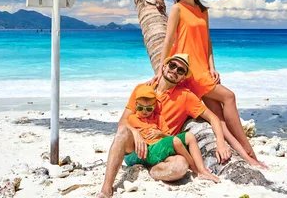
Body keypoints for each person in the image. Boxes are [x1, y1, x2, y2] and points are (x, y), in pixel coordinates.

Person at [151, 0, 265, 168]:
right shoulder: (178, 9)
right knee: (229, 96)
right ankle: (248, 148)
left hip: (204, 67)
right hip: (191, 70)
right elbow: (168, 40)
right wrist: (161, 69)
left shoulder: (203, 11)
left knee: (219, 115)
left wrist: (213, 66)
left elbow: (208, 41)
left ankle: (246, 156)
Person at [98, 53, 231, 198]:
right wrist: (136, 133)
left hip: (161, 152)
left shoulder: (186, 97)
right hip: (135, 148)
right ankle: (106, 188)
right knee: (123, 132)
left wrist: (220, 143)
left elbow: (213, 118)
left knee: (180, 166)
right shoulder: (142, 89)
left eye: (180, 70)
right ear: (164, 66)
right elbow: (123, 122)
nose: (175, 71)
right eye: (172, 65)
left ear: (182, 77)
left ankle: (151, 169)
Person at [127, 84, 220, 183]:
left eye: (149, 109)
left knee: (189, 136)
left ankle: (201, 168)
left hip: (161, 146)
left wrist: (160, 133)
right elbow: (125, 133)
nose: (144, 111)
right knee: (175, 141)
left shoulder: (158, 118)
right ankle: (196, 169)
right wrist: (136, 133)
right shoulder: (132, 119)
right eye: (141, 108)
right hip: (148, 150)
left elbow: (170, 136)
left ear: (154, 106)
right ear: (136, 104)